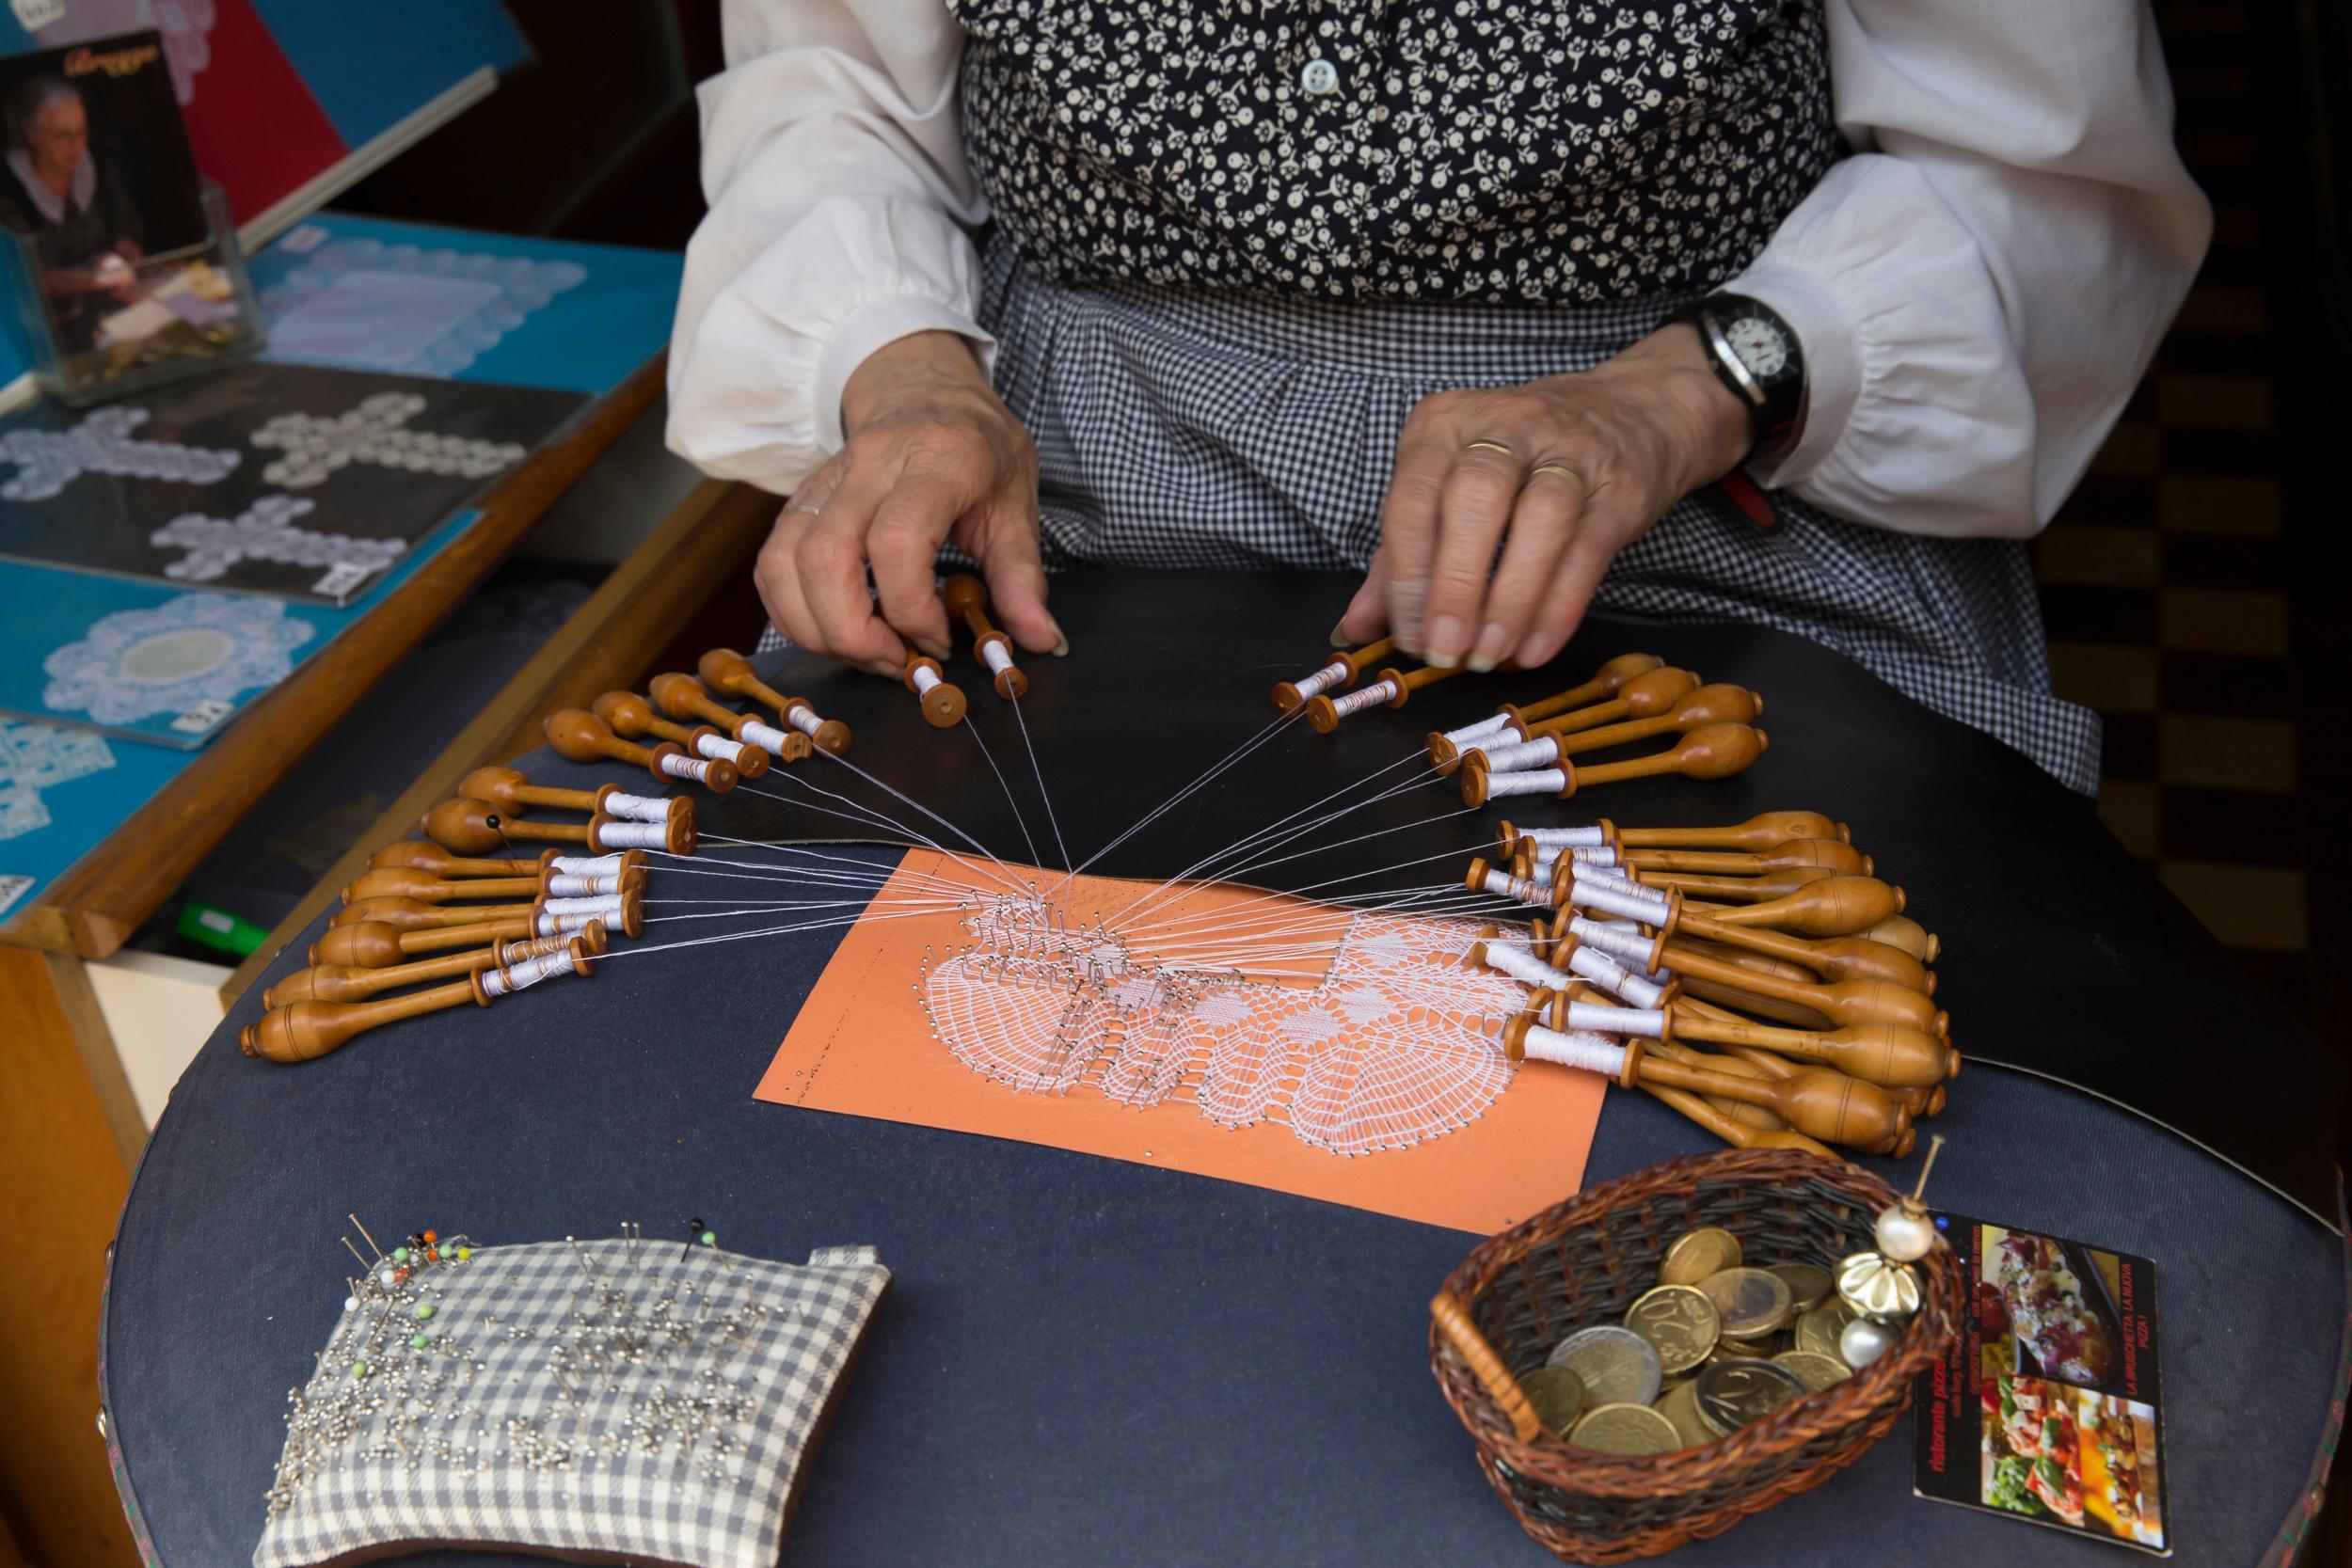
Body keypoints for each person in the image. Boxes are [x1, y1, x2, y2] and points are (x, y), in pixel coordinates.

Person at [668, 1, 2209, 794]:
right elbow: (831, 85)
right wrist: (904, 371)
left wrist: (1691, 390)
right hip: (1056, 467)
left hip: (1686, 457)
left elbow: (2030, 170)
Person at [0, 75, 146, 351]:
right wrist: (102, 277)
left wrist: (126, 249)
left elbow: (125, 223)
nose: (77, 146)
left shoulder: (97, 165)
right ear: (31, 133)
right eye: (63, 136)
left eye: (82, 132)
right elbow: (29, 276)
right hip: (44, 336)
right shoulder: (8, 191)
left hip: (108, 319)